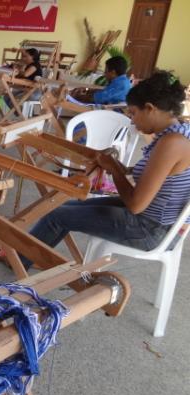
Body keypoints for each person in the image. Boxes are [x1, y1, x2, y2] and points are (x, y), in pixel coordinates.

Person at [21, 71, 190, 269]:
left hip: (152, 230)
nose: (133, 121)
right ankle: (30, 257)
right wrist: (120, 167)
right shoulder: (177, 133)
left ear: (150, 108)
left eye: (134, 113)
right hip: (154, 220)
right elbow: (158, 173)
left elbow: (136, 205)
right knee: (61, 208)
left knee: (56, 217)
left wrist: (114, 170)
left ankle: (19, 261)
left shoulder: (171, 143)